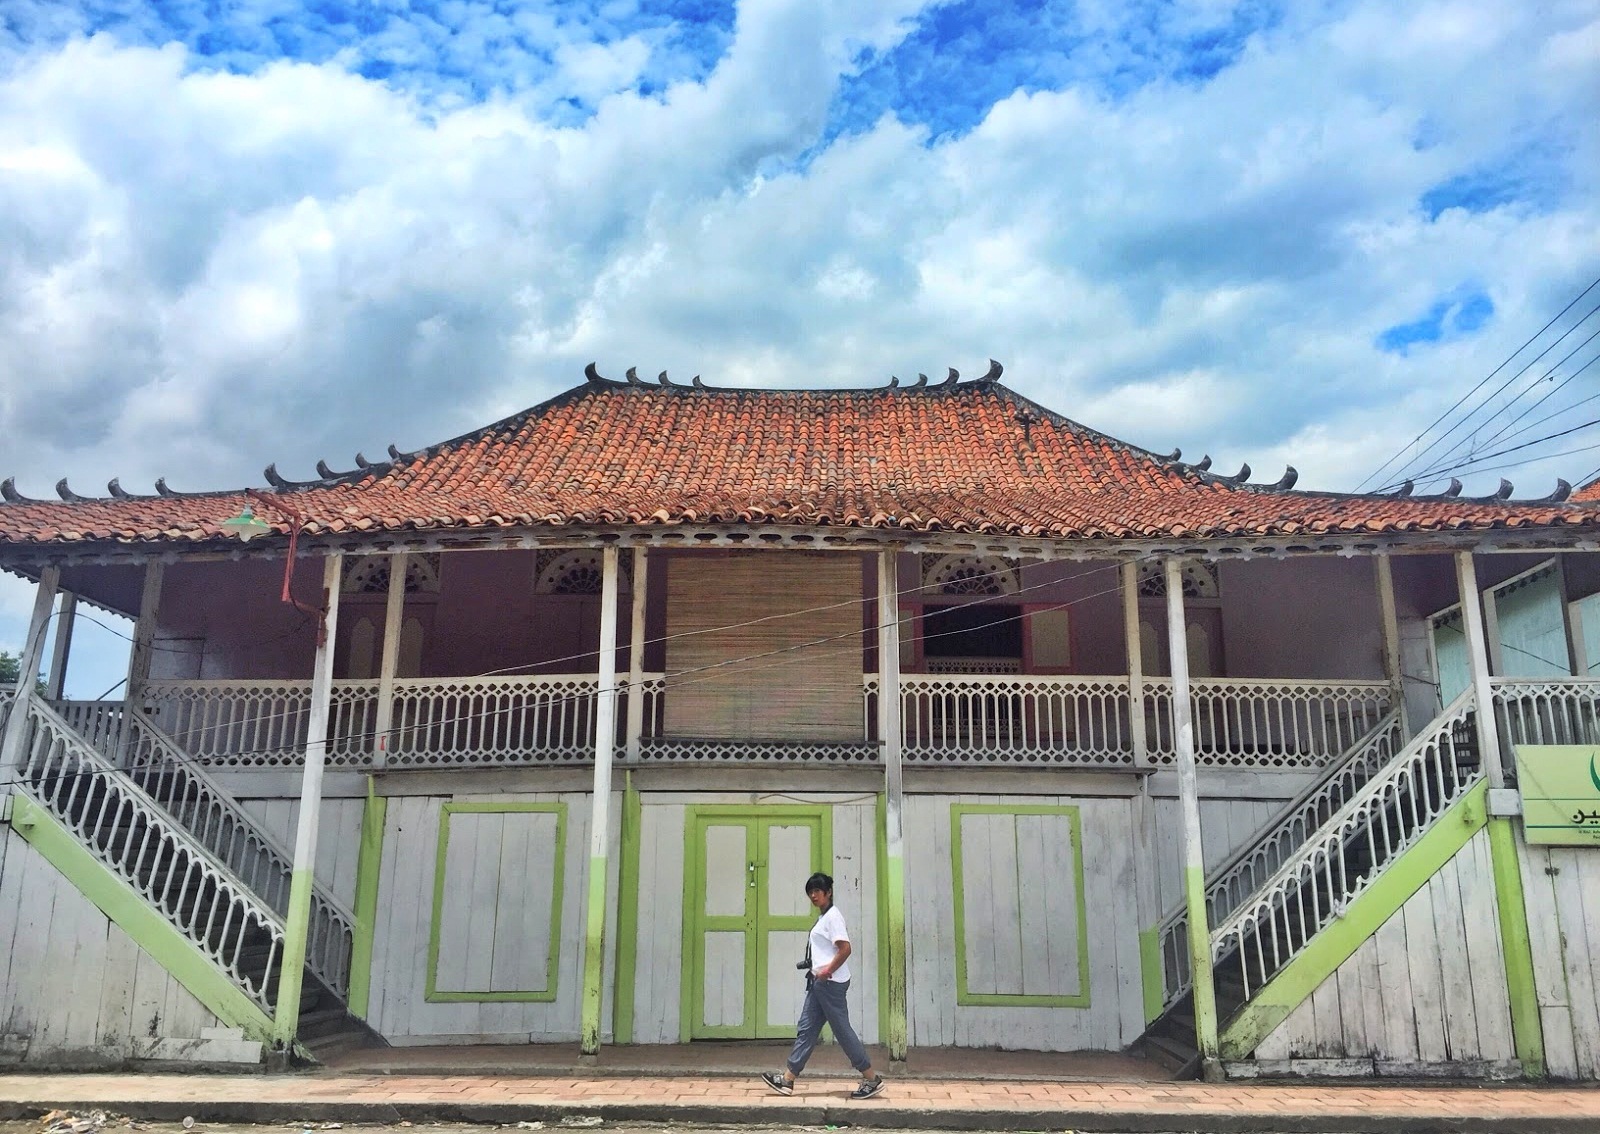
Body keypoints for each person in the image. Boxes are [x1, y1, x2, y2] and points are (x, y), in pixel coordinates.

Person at [761, 872, 885, 1099]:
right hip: (819, 983)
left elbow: (845, 948)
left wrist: (828, 969)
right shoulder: (823, 917)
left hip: (830, 984)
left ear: (828, 892)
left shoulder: (833, 917)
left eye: (817, 891)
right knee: (807, 1029)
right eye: (810, 892)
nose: (813, 895)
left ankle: (871, 1079)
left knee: (842, 1031)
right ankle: (788, 1080)